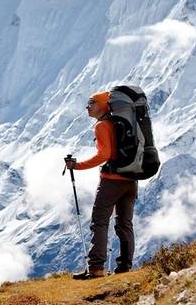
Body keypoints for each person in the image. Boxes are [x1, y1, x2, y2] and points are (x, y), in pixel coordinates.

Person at [65, 91, 138, 280]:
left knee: (99, 221)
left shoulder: (102, 126)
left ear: (104, 105)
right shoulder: (122, 123)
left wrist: (77, 166)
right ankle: (125, 267)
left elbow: (104, 155)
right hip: (131, 179)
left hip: (111, 180)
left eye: (91, 103)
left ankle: (96, 269)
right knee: (124, 223)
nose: (87, 106)